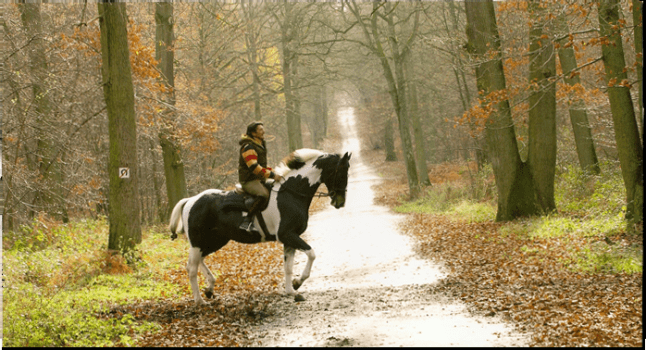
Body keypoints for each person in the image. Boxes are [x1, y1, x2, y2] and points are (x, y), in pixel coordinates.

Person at [238, 121, 283, 232]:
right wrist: (272, 175)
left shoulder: (259, 144)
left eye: (263, 129)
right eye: (261, 130)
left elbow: (262, 166)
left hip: (258, 179)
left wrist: (275, 172)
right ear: (254, 133)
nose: (264, 131)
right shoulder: (248, 146)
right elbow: (254, 167)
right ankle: (247, 221)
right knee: (263, 194)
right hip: (249, 180)